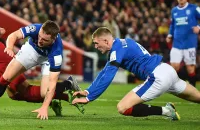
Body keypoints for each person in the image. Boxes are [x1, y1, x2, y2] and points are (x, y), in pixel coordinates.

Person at [72, 27, 200, 120]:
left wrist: (89, 98)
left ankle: (167, 111)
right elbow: (104, 71)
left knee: (122, 107)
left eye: (96, 43)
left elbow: (109, 75)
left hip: (157, 77)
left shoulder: (117, 50)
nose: (95, 46)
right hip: (167, 70)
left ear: (105, 41)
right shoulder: (122, 43)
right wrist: (88, 91)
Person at [0, 20, 84, 120]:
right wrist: (9, 47)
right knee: (6, 77)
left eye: (44, 40)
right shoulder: (36, 29)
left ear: (53, 40)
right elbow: (13, 35)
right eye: (40, 36)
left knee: (44, 93)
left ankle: (68, 83)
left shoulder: (56, 54)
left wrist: (44, 107)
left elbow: (52, 83)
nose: (40, 40)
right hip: (31, 50)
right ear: (41, 29)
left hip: (47, 58)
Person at [166, 0, 200, 87]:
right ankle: (175, 88)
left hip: (190, 43)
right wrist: (169, 34)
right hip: (177, 43)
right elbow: (172, 24)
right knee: (174, 66)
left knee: (190, 68)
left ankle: (193, 89)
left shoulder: (194, 8)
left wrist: (198, 27)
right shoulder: (174, 11)